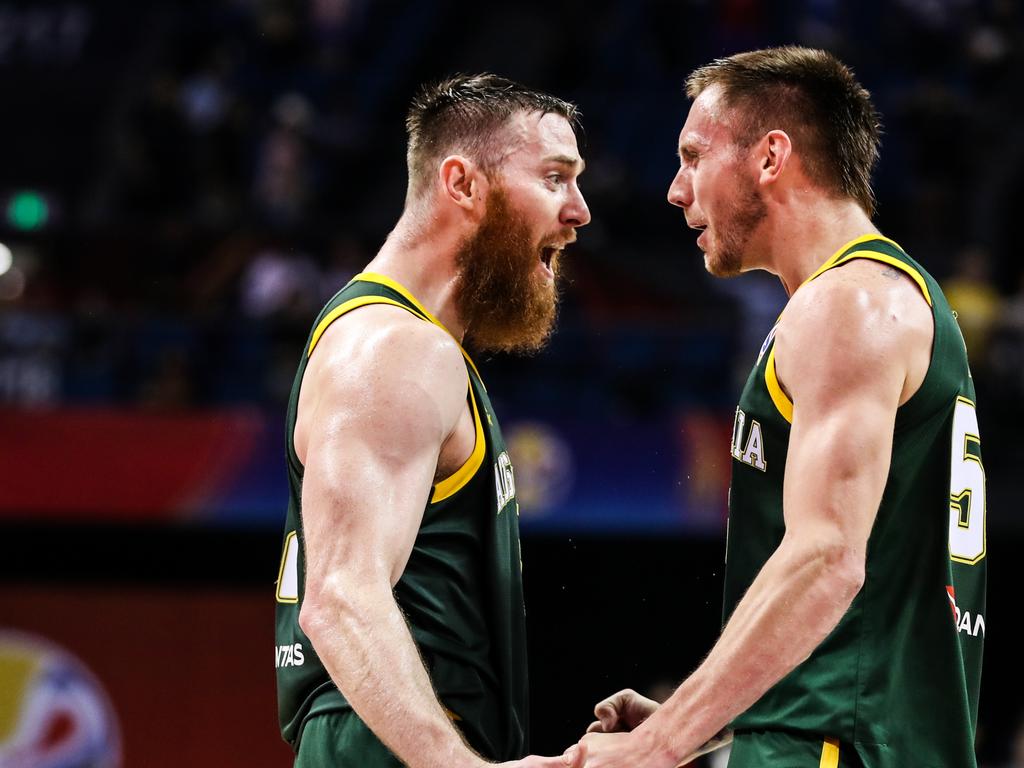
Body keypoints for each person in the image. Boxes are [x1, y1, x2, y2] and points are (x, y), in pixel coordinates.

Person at [578, 46, 986, 768]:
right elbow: (860, 627)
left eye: (694, 156)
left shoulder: (849, 306)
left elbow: (828, 561)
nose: (676, 189)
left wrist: (661, 747)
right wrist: (704, 714)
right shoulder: (873, 299)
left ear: (771, 157)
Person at [273, 73, 591, 768]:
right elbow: (340, 599)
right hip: (382, 744)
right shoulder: (395, 347)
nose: (580, 211)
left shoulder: (409, 343)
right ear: (463, 183)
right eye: (556, 178)